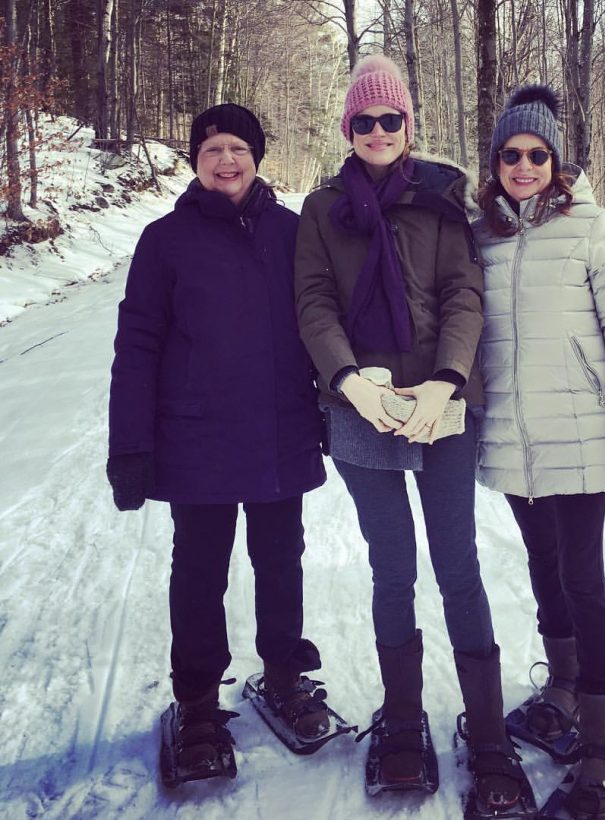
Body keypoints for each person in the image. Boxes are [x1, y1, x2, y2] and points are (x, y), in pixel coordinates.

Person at [294, 55, 533, 816]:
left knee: (457, 563)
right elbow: (313, 302)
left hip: (441, 405)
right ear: (348, 129)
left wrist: (447, 379)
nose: (377, 131)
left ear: (408, 123)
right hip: (360, 407)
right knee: (392, 567)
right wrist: (348, 381)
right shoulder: (322, 207)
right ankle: (401, 720)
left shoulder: (443, 202)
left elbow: (466, 295)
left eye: (389, 119)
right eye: (363, 121)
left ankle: (489, 734)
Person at [106, 103, 331, 783]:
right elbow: (138, 345)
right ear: (195, 161)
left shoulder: (293, 234)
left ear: (257, 157)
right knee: (200, 572)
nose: (226, 161)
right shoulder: (163, 241)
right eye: (212, 150)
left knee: (280, 560)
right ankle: (197, 703)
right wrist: (129, 445)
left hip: (278, 434)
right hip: (194, 441)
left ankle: (285, 676)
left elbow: (322, 319)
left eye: (238, 148)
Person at [473, 85, 605, 820]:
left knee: (583, 575)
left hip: (581, 430)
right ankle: (564, 688)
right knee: (542, 563)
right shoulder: (481, 230)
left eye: (537, 154)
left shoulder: (590, 226)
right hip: (514, 434)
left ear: (556, 161)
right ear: (496, 163)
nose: (524, 165)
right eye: (512, 154)